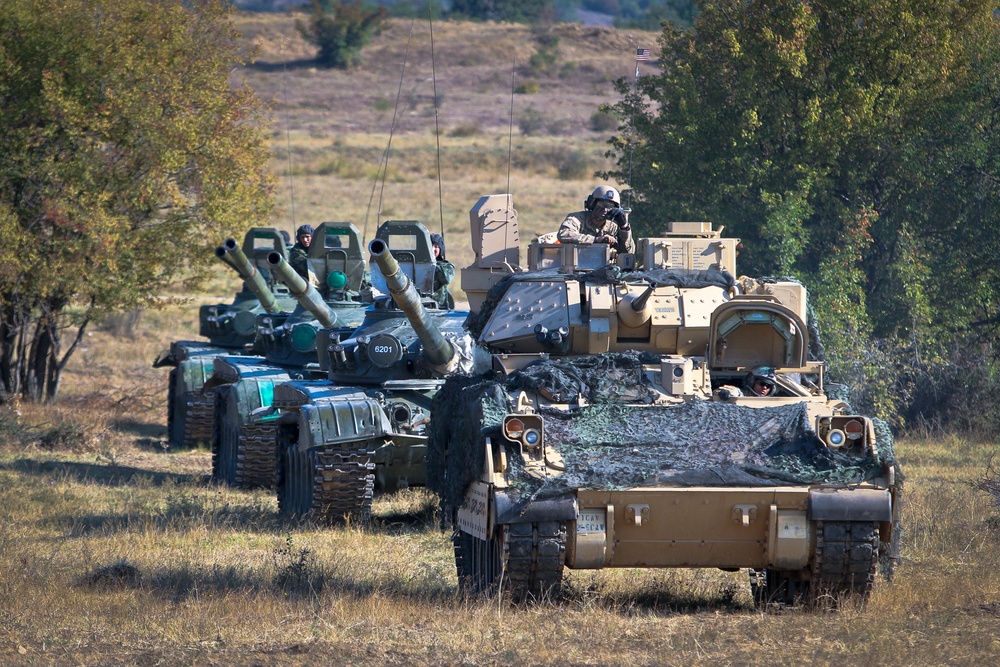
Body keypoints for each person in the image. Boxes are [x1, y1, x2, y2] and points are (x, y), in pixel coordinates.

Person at [557, 185, 634, 255]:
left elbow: (628, 253)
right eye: (601, 204)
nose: (605, 209)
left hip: (606, 267)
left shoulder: (613, 227)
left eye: (610, 206)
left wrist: (624, 226)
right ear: (592, 204)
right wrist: (596, 240)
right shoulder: (577, 219)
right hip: (575, 265)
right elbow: (564, 234)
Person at [430, 233, 455, 309]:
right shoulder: (416, 264)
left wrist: (433, 265)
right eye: (430, 246)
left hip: (439, 308)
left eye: (436, 246)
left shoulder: (446, 266)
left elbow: (446, 279)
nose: (433, 249)